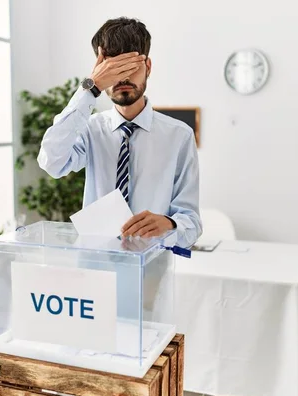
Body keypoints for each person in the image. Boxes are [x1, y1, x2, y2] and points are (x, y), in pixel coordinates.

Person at [37, 17, 202, 248]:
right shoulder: (89, 129)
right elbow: (51, 161)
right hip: (96, 267)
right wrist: (90, 88)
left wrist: (169, 223)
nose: (123, 78)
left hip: (151, 270)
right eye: (113, 69)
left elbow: (192, 223)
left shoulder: (179, 136)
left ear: (148, 67)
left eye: (131, 67)